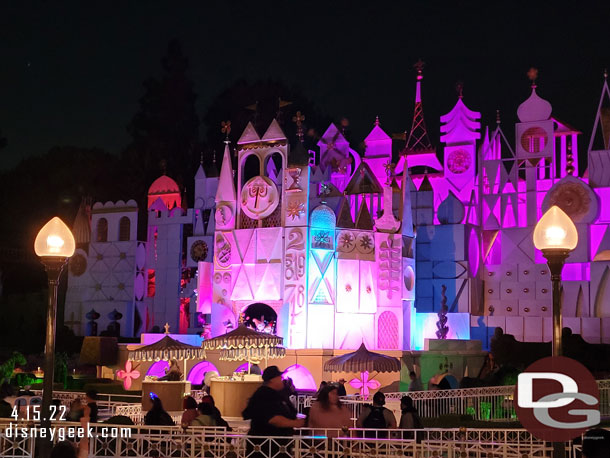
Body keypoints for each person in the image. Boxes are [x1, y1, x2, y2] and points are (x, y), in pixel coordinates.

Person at [243, 366, 304, 458]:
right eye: (279, 378)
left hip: (277, 445)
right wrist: (295, 423)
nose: (281, 379)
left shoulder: (277, 394)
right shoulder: (264, 395)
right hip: (267, 446)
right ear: (272, 380)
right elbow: (272, 419)